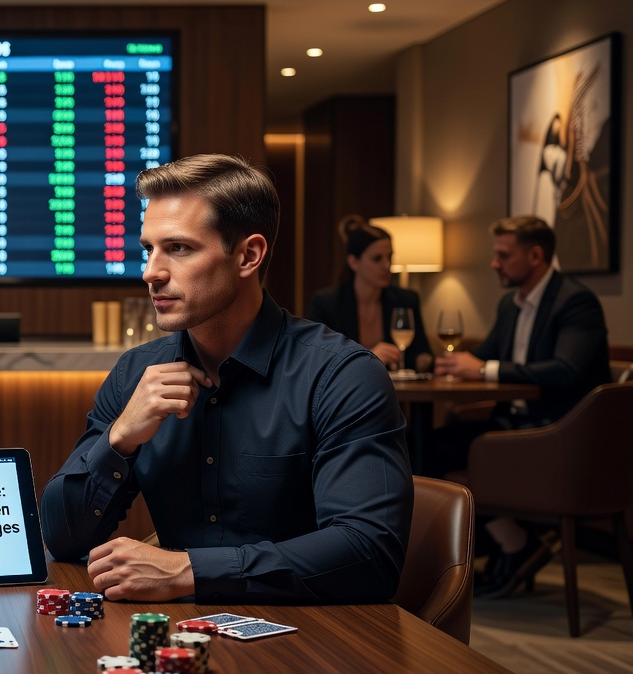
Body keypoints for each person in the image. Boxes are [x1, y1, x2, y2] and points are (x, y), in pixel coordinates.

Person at [39, 154, 411, 604]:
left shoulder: (343, 376)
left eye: (178, 248)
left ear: (248, 256)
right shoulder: (135, 374)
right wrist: (119, 439)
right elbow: (61, 539)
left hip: (317, 639)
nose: (150, 272)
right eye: (148, 249)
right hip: (180, 638)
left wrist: (189, 570)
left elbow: (368, 554)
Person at [433, 215, 610, 597]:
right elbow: (485, 355)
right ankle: (508, 543)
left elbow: (565, 371)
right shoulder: (511, 306)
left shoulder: (576, 301)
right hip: (513, 424)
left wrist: (484, 368)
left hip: (558, 433)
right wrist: (450, 363)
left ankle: (515, 545)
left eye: (503, 255)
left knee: (475, 452)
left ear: (535, 255)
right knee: (424, 447)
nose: (495, 263)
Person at [307, 215, 431, 372]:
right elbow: (318, 361)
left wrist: (427, 361)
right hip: (348, 392)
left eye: (390, 257)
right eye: (377, 258)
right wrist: (368, 357)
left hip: (399, 391)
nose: (387, 265)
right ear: (354, 262)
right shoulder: (327, 303)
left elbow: (423, 354)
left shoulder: (406, 300)